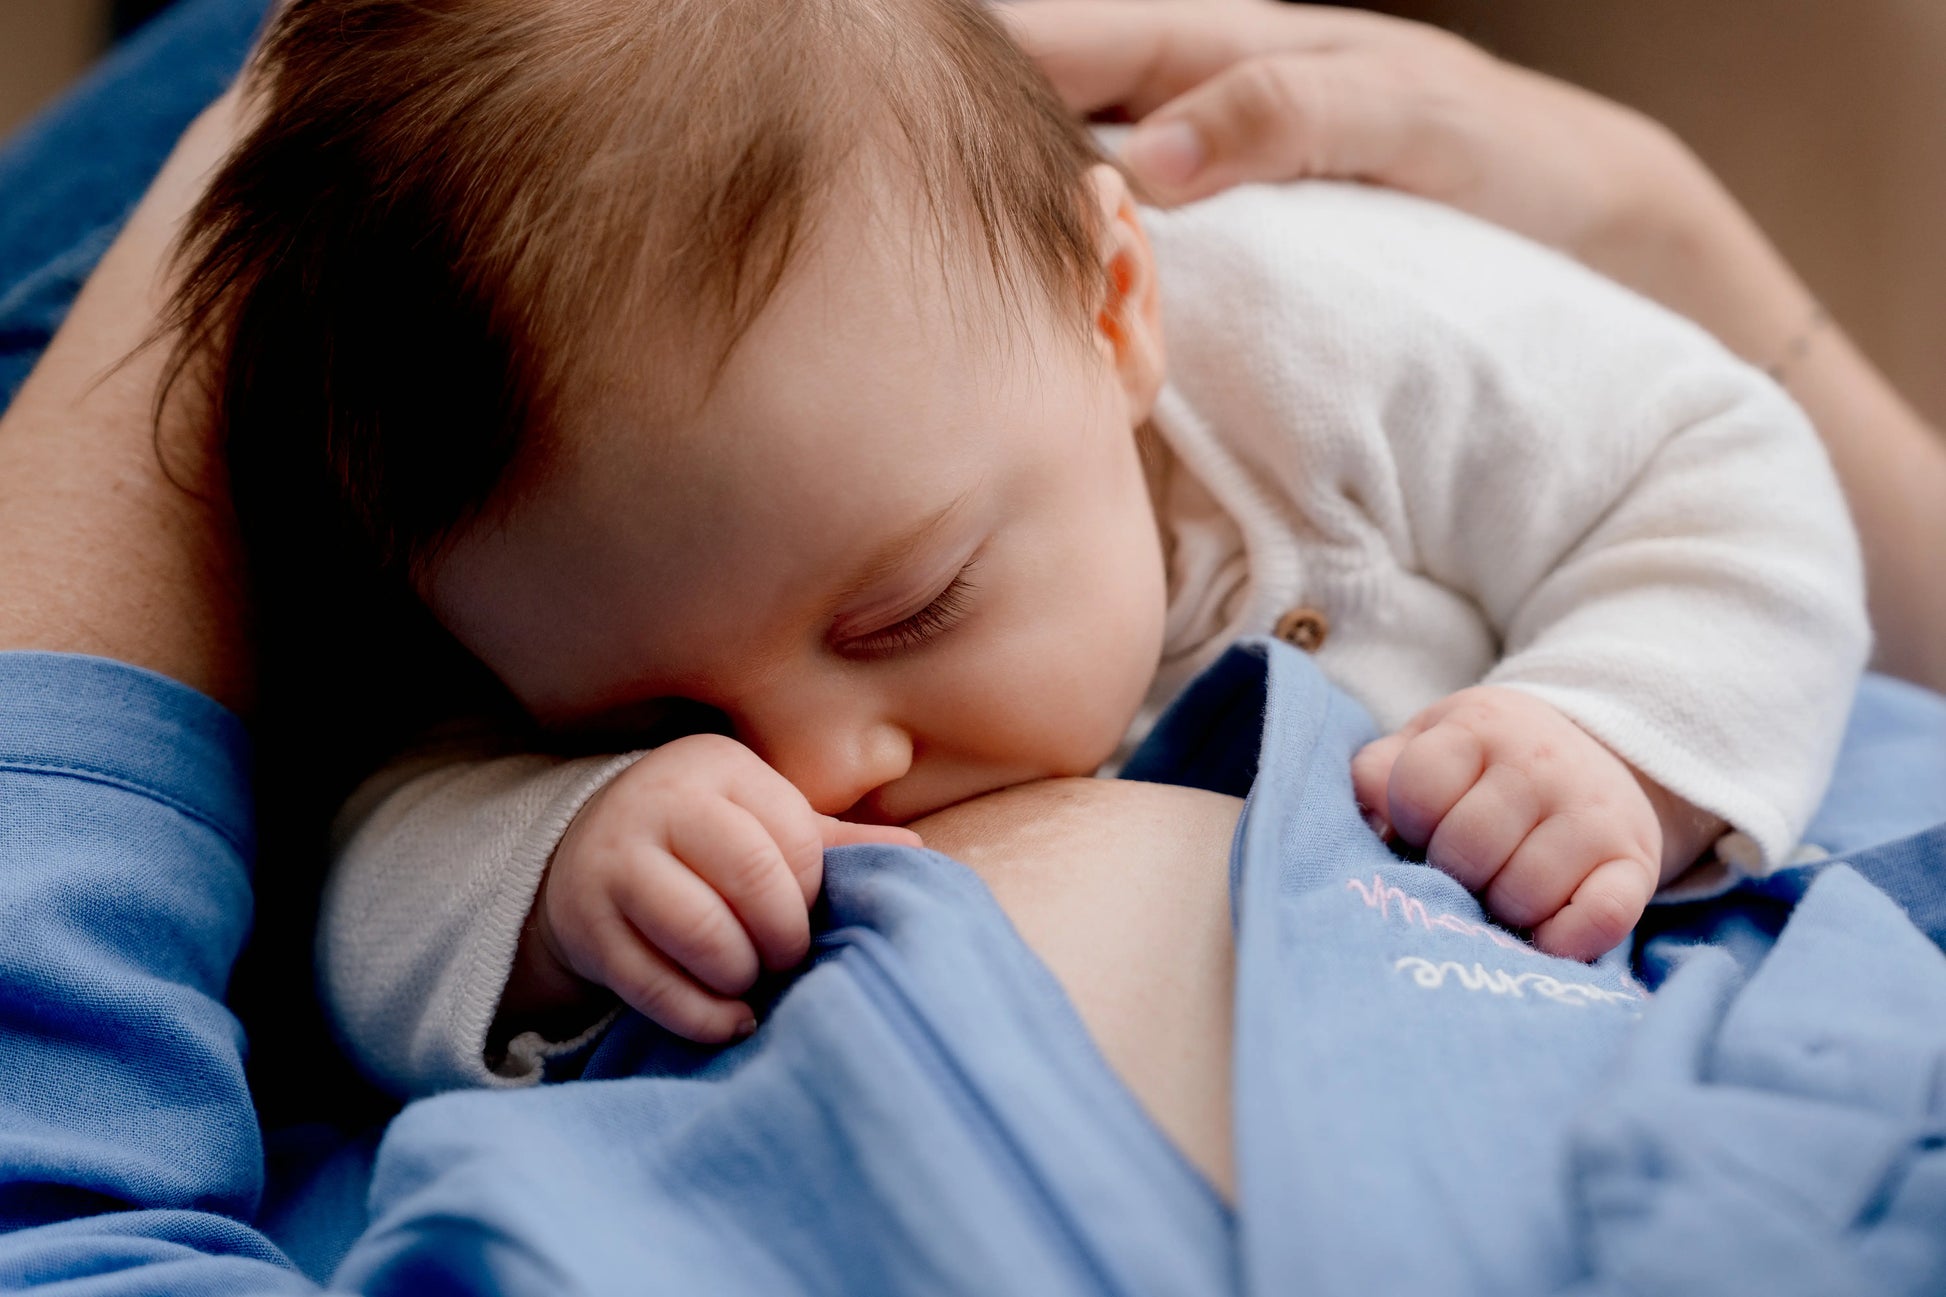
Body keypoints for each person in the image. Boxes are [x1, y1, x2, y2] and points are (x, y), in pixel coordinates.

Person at [0, 0, 1939, 1279]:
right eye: (665, 716)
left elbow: (286, 873)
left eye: (906, 608)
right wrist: (542, 845)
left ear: (1117, 314)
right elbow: (407, 797)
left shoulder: (1309, 341)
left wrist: (1619, 717)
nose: (825, 770)